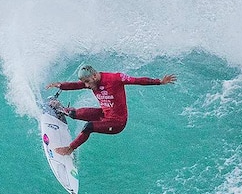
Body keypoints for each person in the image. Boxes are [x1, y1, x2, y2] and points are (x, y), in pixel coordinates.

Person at [46, 64, 177, 155]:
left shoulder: (115, 79)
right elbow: (77, 85)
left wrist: (159, 81)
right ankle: (60, 110)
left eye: (87, 82)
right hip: (105, 114)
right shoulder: (92, 83)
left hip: (117, 123)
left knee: (88, 127)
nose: (86, 85)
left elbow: (137, 80)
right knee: (73, 114)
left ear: (93, 76)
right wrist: (60, 85)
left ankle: (69, 149)